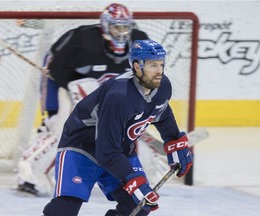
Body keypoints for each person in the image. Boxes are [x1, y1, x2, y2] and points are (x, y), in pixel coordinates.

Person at [42, 39, 193, 216]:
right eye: (153, 65)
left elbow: (161, 112)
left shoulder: (163, 86)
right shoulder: (119, 95)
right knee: (65, 208)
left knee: (138, 207)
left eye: (161, 64)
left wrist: (174, 140)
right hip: (81, 146)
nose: (159, 71)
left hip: (117, 149)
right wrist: (133, 180)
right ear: (137, 66)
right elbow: (106, 152)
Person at [16, 3, 149, 196]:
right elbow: (55, 69)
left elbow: (147, 79)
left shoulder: (140, 42)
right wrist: (58, 108)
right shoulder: (82, 40)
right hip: (73, 87)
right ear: (105, 26)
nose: (121, 32)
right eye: (116, 26)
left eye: (125, 26)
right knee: (61, 126)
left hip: (112, 98)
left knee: (119, 135)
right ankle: (28, 173)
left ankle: (123, 176)